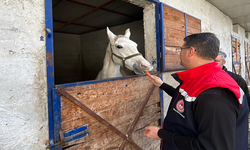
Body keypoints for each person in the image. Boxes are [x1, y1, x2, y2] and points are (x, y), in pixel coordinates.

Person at [144, 33, 249, 150]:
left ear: (191, 51)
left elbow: (211, 147)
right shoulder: (200, 79)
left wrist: (162, 134)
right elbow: (188, 102)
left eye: (181, 49)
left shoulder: (215, 95)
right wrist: (162, 85)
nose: (180, 53)